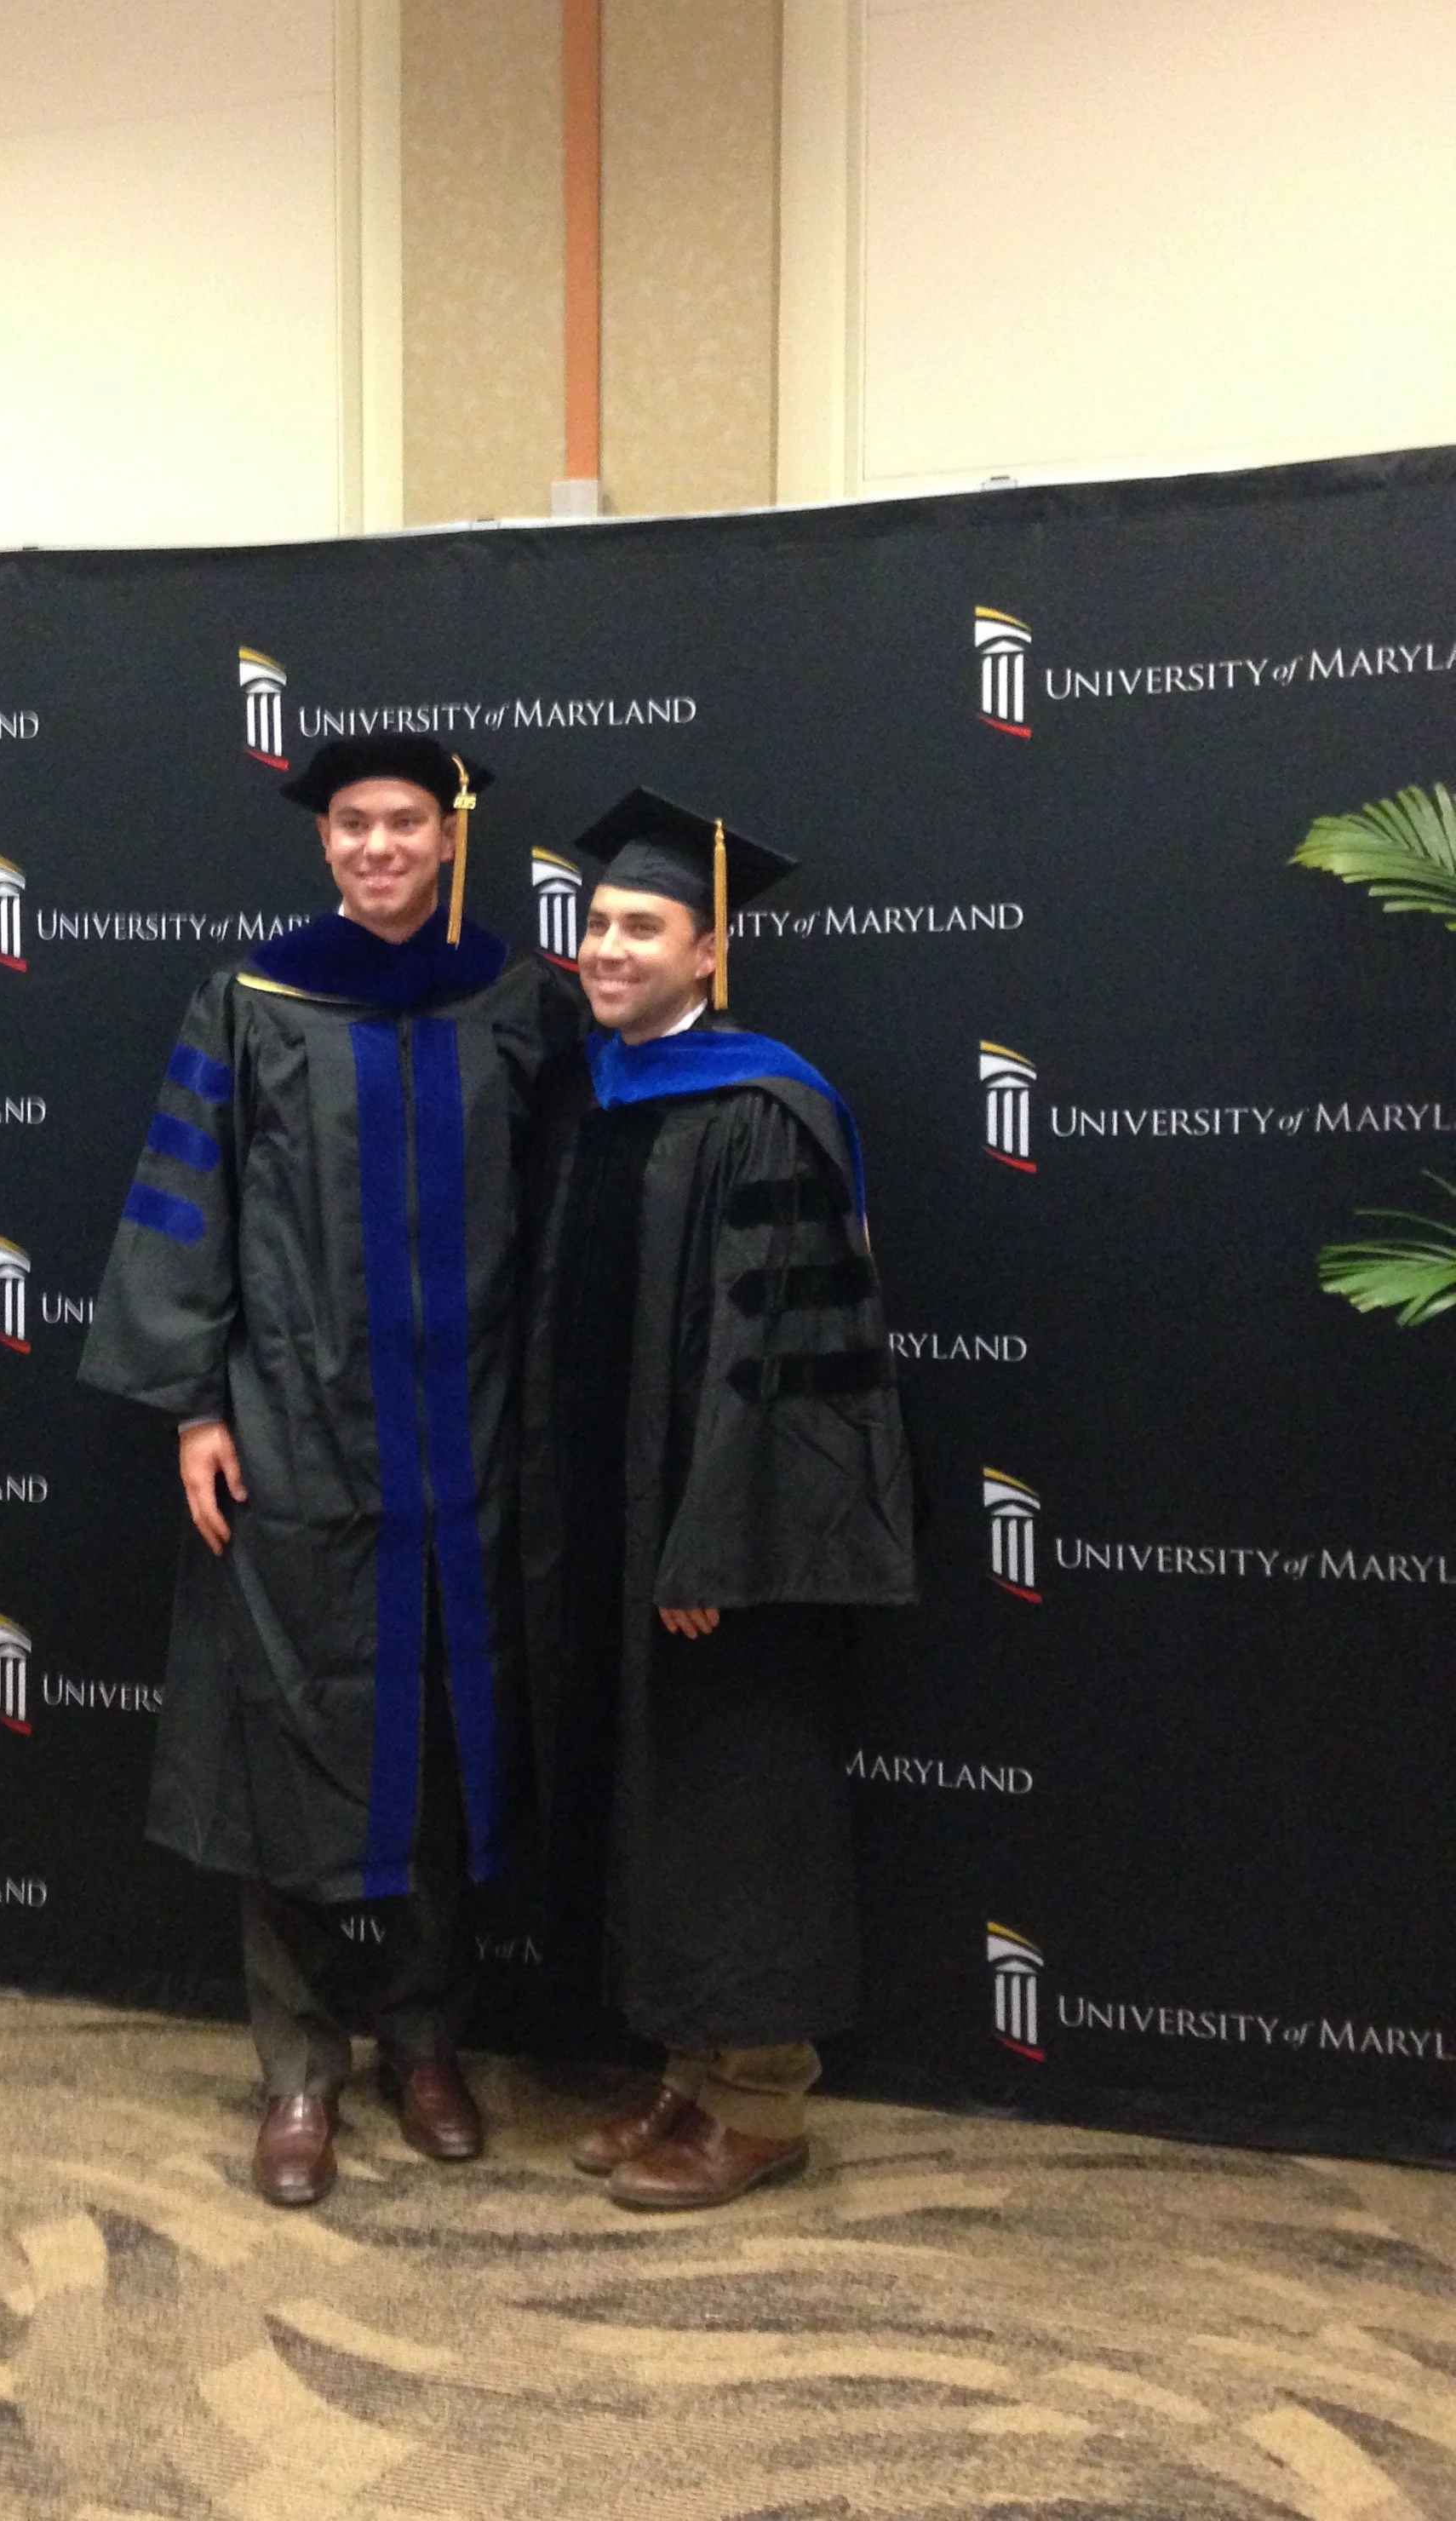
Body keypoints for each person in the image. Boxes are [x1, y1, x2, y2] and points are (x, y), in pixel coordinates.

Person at [80, 738, 581, 2208]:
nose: (376, 846)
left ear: (446, 839)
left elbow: (562, 1214)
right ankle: (299, 2065)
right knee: (281, 1741)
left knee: (438, 1737)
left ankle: (426, 2041)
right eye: (352, 824)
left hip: (471, 1441)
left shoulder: (511, 1001)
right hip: (297, 1430)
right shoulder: (254, 1003)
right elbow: (193, 1207)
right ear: (327, 847)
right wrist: (193, 1407)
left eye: (404, 823)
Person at [519, 787, 916, 2211]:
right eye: (595, 924)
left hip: (712, 1545)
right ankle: (689, 2074)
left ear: (709, 953)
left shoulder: (763, 1110)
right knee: (657, 1805)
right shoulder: (592, 1096)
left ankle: (761, 2100)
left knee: (736, 1800)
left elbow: (785, 1366)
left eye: (644, 925)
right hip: (615, 1529)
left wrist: (715, 1542)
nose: (608, 948)